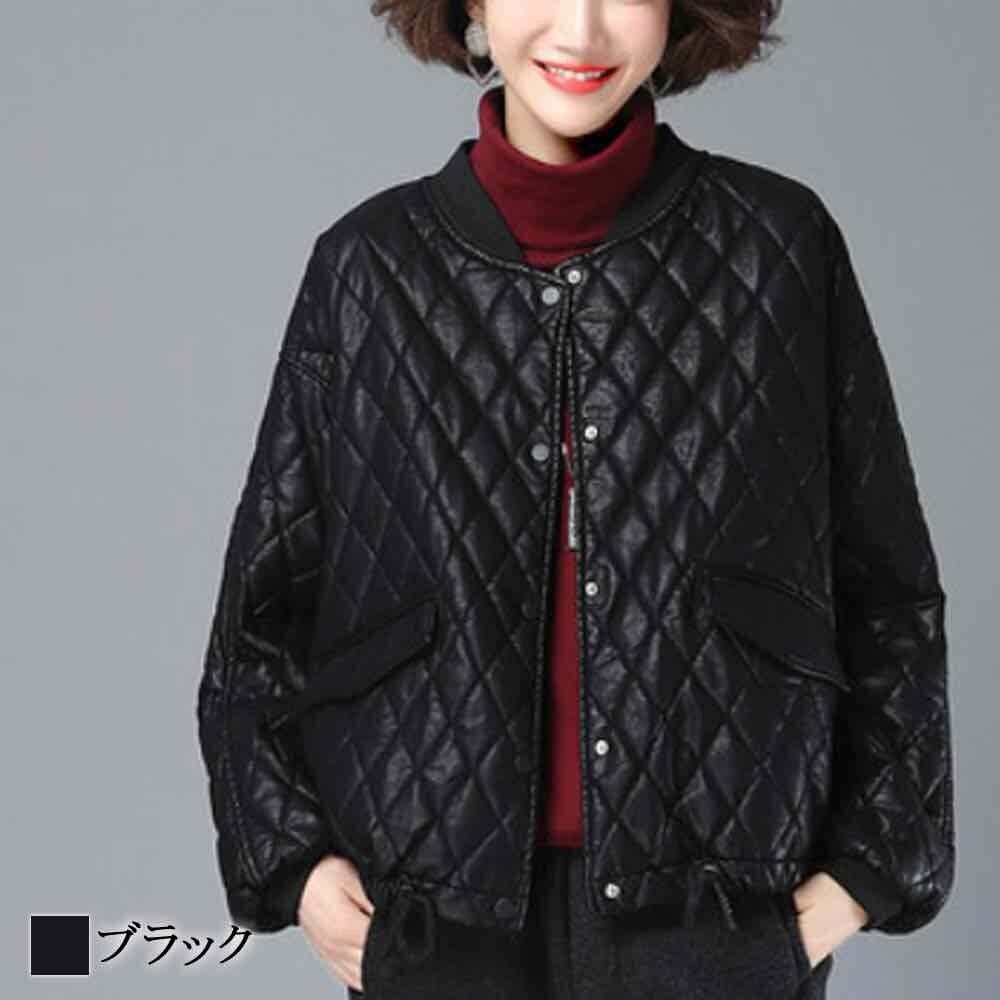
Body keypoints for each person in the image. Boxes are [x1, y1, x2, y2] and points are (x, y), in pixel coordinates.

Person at [195, 1, 956, 997]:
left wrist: (854, 885)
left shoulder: (779, 247)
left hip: (718, 920)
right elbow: (259, 621)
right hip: (434, 922)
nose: (582, 29)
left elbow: (889, 595)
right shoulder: (368, 267)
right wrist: (294, 867)